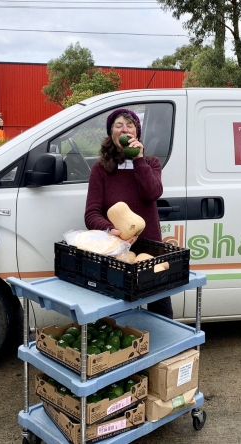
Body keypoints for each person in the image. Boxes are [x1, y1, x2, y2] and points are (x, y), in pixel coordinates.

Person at [85, 108, 173, 319]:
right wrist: (110, 229)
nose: (125, 129)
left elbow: (152, 193)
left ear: (137, 133)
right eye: (119, 126)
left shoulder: (150, 163)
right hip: (118, 249)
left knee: (160, 304)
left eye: (130, 125)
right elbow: (91, 213)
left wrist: (138, 159)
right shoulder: (101, 169)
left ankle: (164, 346)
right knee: (121, 308)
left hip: (151, 247)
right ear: (111, 133)